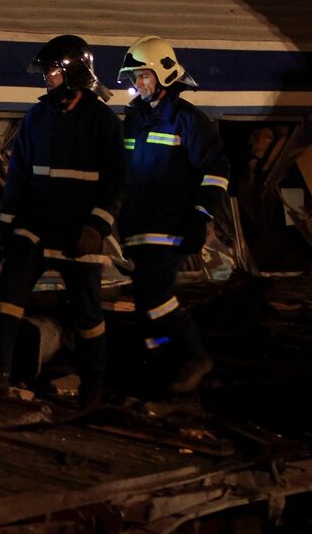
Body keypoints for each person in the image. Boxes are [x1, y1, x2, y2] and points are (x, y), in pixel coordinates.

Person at [0, 35, 126, 410]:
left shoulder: (103, 122)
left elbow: (115, 182)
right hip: (34, 227)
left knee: (87, 314)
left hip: (79, 232)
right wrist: (5, 227)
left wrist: (97, 226)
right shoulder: (37, 118)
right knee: (8, 299)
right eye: (46, 71)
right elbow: (17, 179)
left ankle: (93, 388)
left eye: (53, 71)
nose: (47, 77)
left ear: (75, 72)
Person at [117, 36, 226, 393]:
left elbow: (217, 170)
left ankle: (195, 357)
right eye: (134, 76)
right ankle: (161, 365)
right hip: (137, 229)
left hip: (171, 228)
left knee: (155, 296)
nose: (138, 83)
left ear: (164, 74)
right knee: (144, 304)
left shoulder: (187, 120)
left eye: (144, 75)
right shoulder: (132, 121)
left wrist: (201, 215)